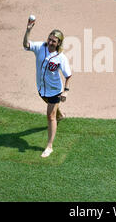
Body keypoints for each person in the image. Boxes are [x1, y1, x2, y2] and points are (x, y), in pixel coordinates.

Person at [23, 16, 72, 157]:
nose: (50, 42)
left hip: (55, 91)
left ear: (58, 43)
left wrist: (66, 92)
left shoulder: (61, 57)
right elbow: (26, 45)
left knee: (50, 116)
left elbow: (68, 75)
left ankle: (49, 146)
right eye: (49, 39)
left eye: (54, 41)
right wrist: (28, 31)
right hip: (41, 89)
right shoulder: (40, 47)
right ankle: (60, 114)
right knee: (54, 111)